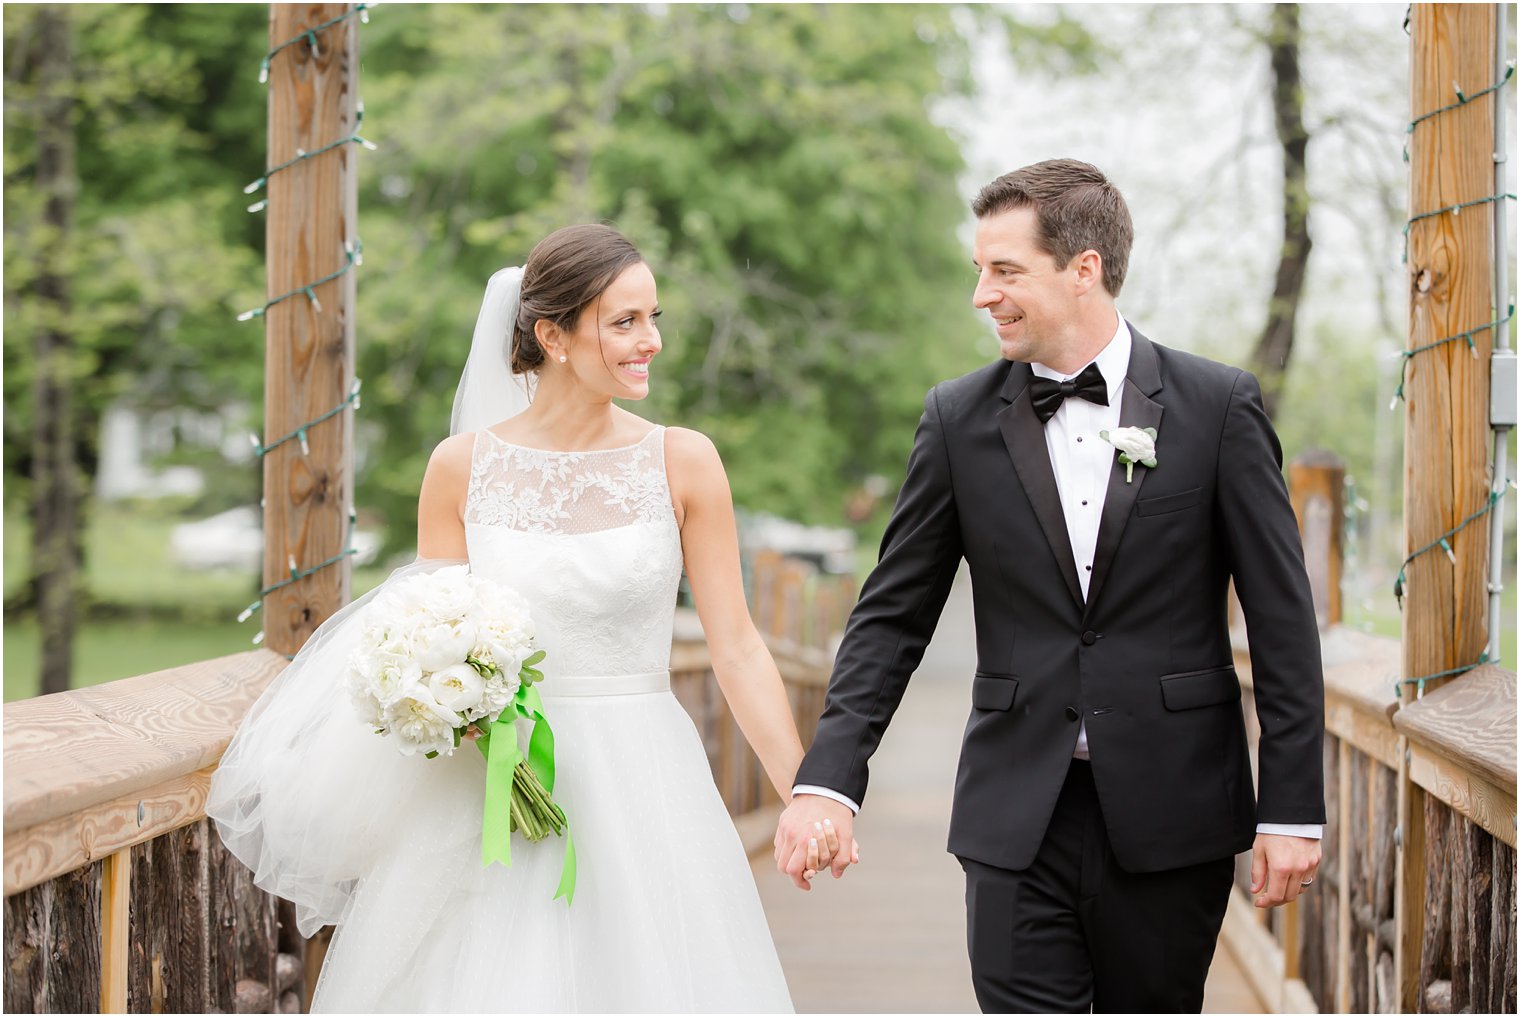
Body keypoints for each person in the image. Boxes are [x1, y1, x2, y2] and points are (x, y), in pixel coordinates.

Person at [209, 224, 845, 1012]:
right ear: (552, 335)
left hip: (642, 778)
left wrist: (805, 793)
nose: (651, 341)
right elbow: (434, 623)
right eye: (625, 322)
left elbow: (739, 646)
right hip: (491, 787)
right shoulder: (460, 469)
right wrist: (446, 699)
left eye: (654, 318)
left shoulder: (683, 460)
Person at [775, 160, 1326, 1012]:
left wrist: (1292, 808)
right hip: (1013, 814)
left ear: (1084, 269)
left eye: (1005, 271)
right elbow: (890, 617)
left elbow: (1283, 623)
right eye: (978, 270)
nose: (981, 295)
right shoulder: (956, 419)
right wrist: (830, 778)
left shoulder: (1218, 407)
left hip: (1173, 809)